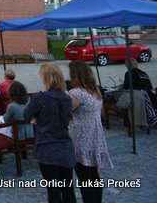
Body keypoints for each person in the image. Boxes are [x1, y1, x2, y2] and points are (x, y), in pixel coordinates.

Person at [24, 63, 76, 203]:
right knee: (68, 189)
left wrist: (36, 118)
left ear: (45, 78)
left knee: (53, 190)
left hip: (47, 147)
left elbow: (27, 115)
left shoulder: (39, 97)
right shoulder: (67, 98)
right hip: (65, 146)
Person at [68, 60, 113, 202]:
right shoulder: (95, 91)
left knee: (85, 178)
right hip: (94, 137)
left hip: (81, 139)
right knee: (93, 175)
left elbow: (65, 111)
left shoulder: (76, 93)